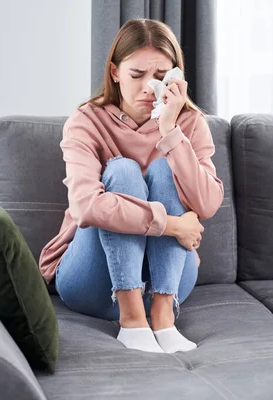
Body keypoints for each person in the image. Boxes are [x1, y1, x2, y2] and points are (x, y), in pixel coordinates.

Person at [39, 19, 224, 353]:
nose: (147, 88)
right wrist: (171, 225)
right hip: (92, 281)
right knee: (122, 171)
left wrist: (169, 128)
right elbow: (86, 206)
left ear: (176, 77)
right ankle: (132, 319)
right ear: (114, 72)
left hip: (166, 283)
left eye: (160, 76)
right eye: (136, 75)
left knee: (165, 171)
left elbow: (208, 204)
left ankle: (163, 319)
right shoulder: (86, 121)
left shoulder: (190, 123)